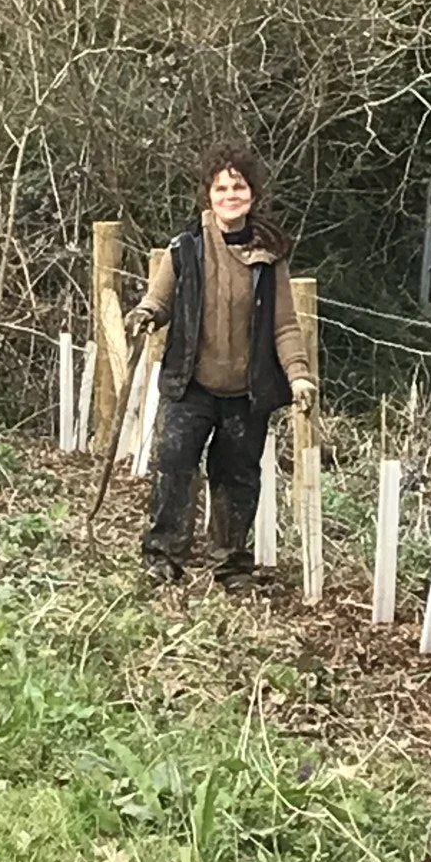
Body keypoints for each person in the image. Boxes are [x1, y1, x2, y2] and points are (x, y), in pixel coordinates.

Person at [124, 143, 317, 585]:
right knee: (173, 463)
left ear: (252, 194)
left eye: (239, 186)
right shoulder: (186, 247)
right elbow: (160, 298)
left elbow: (285, 324)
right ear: (208, 196)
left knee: (237, 477)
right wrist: (145, 315)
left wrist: (299, 375)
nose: (231, 194)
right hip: (191, 381)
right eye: (221, 187)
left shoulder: (270, 255)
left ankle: (229, 564)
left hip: (247, 391)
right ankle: (163, 554)